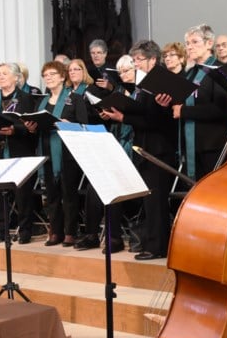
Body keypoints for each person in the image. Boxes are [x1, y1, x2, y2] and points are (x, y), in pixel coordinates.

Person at [101, 41, 178, 260]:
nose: (135, 64)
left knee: (156, 201)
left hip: (160, 148)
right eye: (134, 60)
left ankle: (157, 247)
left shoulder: (160, 81)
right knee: (149, 200)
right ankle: (152, 243)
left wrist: (124, 117)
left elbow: (157, 120)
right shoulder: (144, 84)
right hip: (145, 145)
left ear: (152, 59)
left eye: (138, 60)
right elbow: (144, 113)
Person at [76, 55, 139, 253]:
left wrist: (122, 117)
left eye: (127, 70)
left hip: (135, 148)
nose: (124, 75)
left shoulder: (141, 92)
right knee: (95, 183)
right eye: (120, 72)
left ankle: (115, 237)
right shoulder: (120, 91)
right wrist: (108, 115)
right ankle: (92, 234)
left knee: (113, 185)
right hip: (116, 143)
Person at [25, 61, 87, 248]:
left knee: (68, 194)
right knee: (50, 194)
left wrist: (68, 124)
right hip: (46, 151)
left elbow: (84, 126)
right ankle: (55, 231)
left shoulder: (74, 99)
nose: (49, 77)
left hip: (66, 153)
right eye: (46, 75)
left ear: (62, 77)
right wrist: (31, 127)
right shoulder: (40, 102)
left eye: (53, 74)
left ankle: (70, 232)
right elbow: (36, 127)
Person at [0, 62, 37, 245]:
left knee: (22, 194)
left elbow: (31, 125)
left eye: (4, 73)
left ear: (16, 77)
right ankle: (0, 230)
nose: (1, 76)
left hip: (18, 149)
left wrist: (15, 129)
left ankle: (25, 230)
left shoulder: (26, 98)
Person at [176, 24, 227, 181]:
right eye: (187, 43)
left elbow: (222, 110)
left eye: (194, 42)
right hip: (192, 146)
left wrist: (184, 111)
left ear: (209, 43)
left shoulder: (220, 70)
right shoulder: (190, 73)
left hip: (213, 146)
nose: (189, 47)